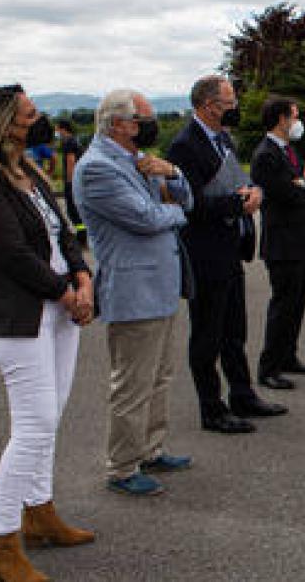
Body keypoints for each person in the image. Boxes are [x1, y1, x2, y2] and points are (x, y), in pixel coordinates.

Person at [0, 85, 96, 581]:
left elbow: (62, 233)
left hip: (60, 309)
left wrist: (82, 277)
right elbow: (11, 253)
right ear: (2, 122)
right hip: (22, 316)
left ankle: (39, 514)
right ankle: (2, 542)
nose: (38, 119)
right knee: (33, 424)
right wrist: (66, 292)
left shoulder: (31, 170)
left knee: (51, 415)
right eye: (29, 114)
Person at [73, 89, 195, 497]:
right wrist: (175, 214)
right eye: (142, 119)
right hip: (133, 288)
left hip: (160, 284)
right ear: (119, 124)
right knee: (132, 383)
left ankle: (150, 447)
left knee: (160, 376)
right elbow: (144, 218)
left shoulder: (141, 162)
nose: (149, 125)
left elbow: (186, 199)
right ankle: (122, 466)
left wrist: (173, 174)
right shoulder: (97, 169)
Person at [167, 75, 286, 433]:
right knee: (208, 333)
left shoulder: (224, 141)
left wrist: (251, 193)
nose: (234, 109)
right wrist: (238, 202)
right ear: (208, 105)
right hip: (204, 252)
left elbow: (234, 181)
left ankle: (242, 393)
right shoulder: (185, 146)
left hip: (230, 247)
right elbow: (192, 204)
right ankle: (211, 407)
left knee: (234, 329)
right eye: (229, 103)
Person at [251, 97, 305, 388]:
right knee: (283, 304)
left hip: (300, 237)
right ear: (281, 119)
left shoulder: (289, 150)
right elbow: (287, 193)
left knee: (297, 301)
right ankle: (269, 368)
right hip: (281, 240)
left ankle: (288, 355)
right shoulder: (266, 155)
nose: (297, 122)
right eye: (294, 116)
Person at [56, 118, 86, 244]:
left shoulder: (68, 142)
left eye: (57, 128)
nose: (57, 132)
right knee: (76, 208)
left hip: (73, 181)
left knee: (72, 209)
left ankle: (81, 237)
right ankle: (82, 235)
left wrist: (69, 182)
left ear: (63, 129)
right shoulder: (75, 140)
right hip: (80, 179)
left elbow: (71, 161)